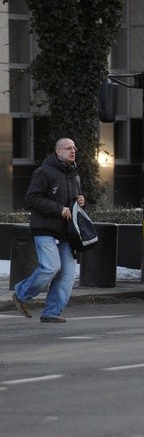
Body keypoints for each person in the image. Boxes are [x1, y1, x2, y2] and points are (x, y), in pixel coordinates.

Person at [12, 138, 86, 323]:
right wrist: (59, 209)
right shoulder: (44, 172)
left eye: (74, 148)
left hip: (66, 233)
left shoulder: (74, 175)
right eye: (68, 148)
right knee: (51, 267)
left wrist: (80, 201)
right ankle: (21, 294)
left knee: (68, 274)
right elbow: (31, 199)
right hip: (44, 228)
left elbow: (71, 203)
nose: (73, 151)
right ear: (57, 151)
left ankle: (52, 312)